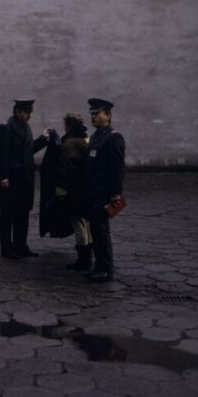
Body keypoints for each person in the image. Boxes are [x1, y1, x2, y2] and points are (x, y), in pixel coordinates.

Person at [0, 99, 51, 258]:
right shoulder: (5, 127)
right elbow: (0, 154)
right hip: (11, 178)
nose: (29, 116)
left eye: (30, 112)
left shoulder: (26, 127)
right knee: (8, 214)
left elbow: (28, 150)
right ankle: (7, 249)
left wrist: (43, 139)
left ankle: (21, 246)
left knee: (23, 212)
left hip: (26, 178)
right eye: (27, 112)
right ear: (18, 111)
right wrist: (3, 176)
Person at [86, 98, 126, 282]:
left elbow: (117, 169)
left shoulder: (114, 137)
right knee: (95, 230)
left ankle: (105, 269)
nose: (93, 117)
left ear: (108, 116)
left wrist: (116, 193)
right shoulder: (95, 136)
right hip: (93, 192)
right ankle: (99, 265)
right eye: (92, 114)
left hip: (104, 193)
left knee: (101, 231)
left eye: (97, 113)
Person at [55, 113, 93, 271]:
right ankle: (88, 257)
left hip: (75, 190)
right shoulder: (86, 139)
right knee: (86, 223)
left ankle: (83, 260)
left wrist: (61, 188)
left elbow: (66, 167)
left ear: (68, 126)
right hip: (87, 188)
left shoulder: (70, 143)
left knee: (78, 223)